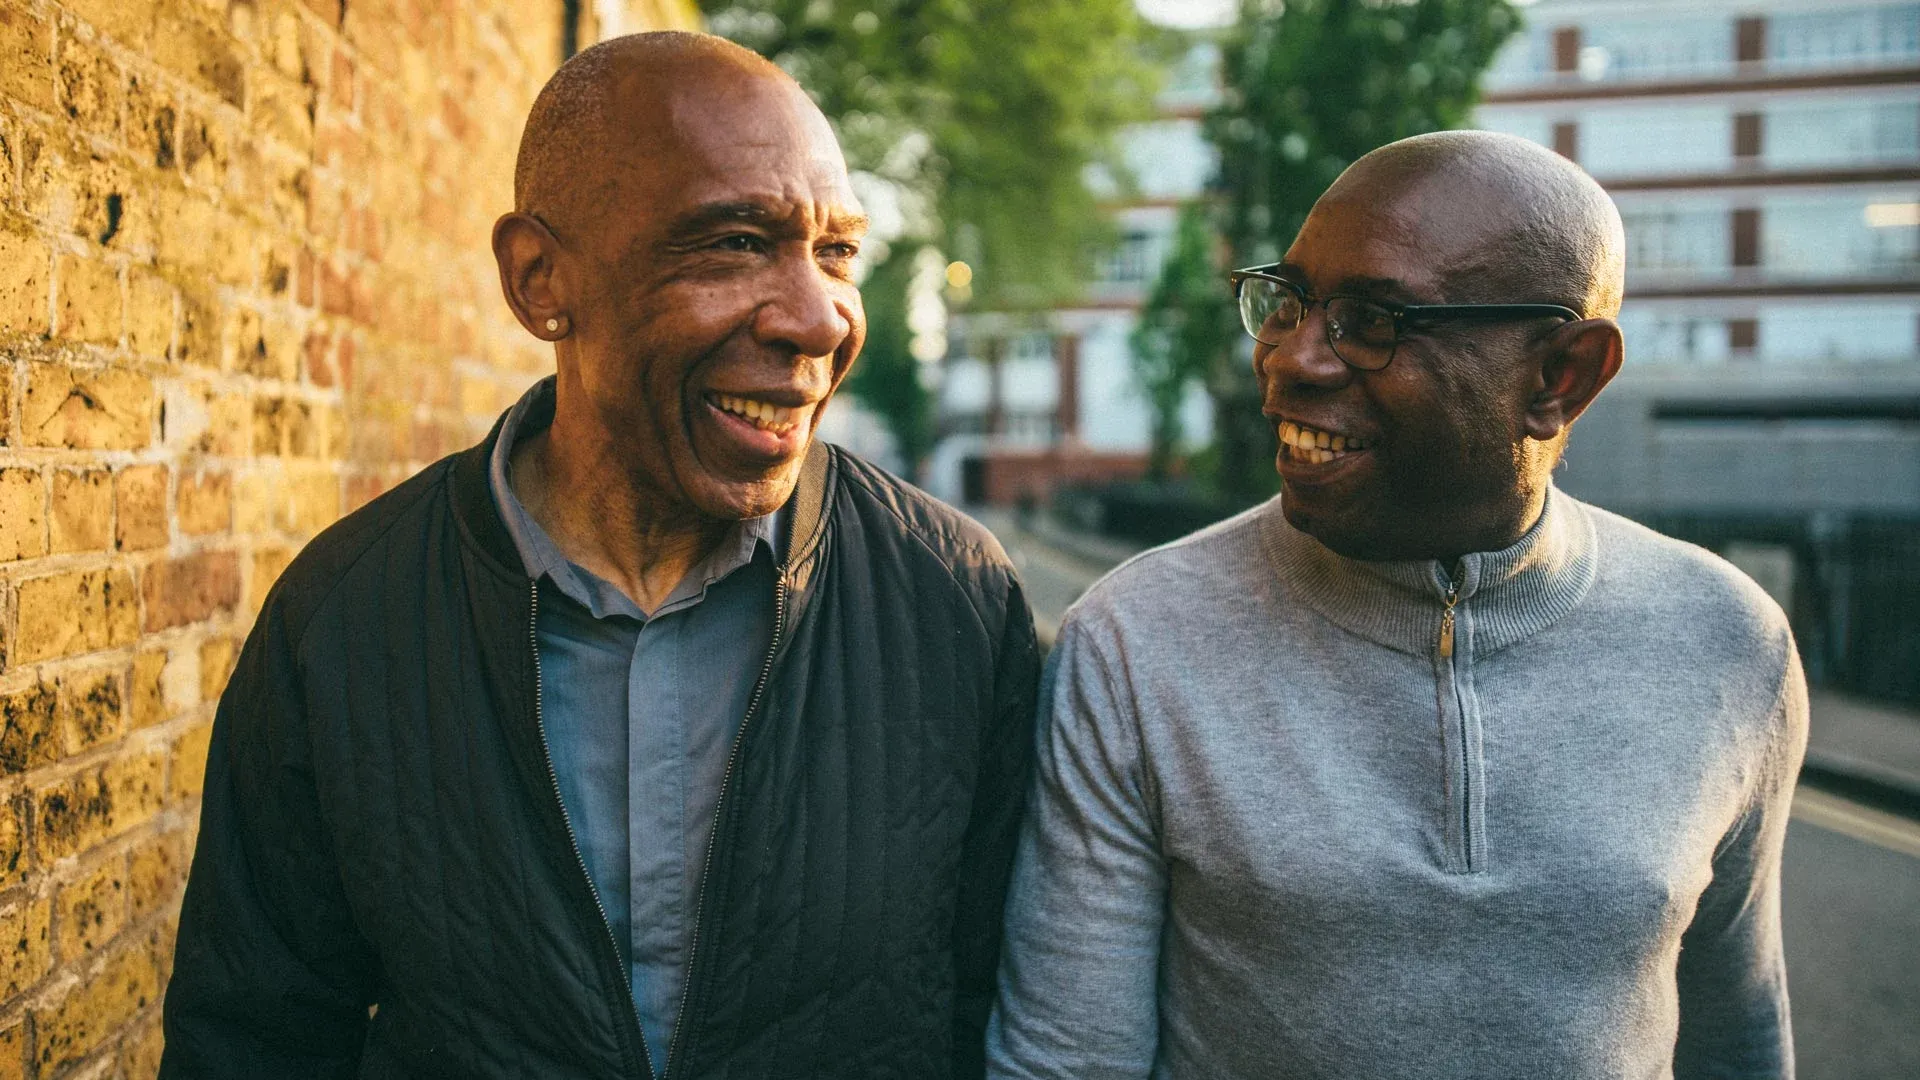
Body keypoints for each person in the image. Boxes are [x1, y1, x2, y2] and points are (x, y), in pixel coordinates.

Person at [162, 32, 1038, 1079]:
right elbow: (254, 1039)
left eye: (837, 251)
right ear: (540, 279)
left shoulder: (956, 606)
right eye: (733, 243)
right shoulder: (345, 619)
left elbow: (1012, 1022)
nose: (818, 318)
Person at [986, 130, 1807, 1080]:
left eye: (1373, 319)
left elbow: (1737, 1037)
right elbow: (1068, 1065)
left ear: (1561, 376)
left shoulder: (1728, 642)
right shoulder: (1134, 642)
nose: (1292, 359)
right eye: (1289, 302)